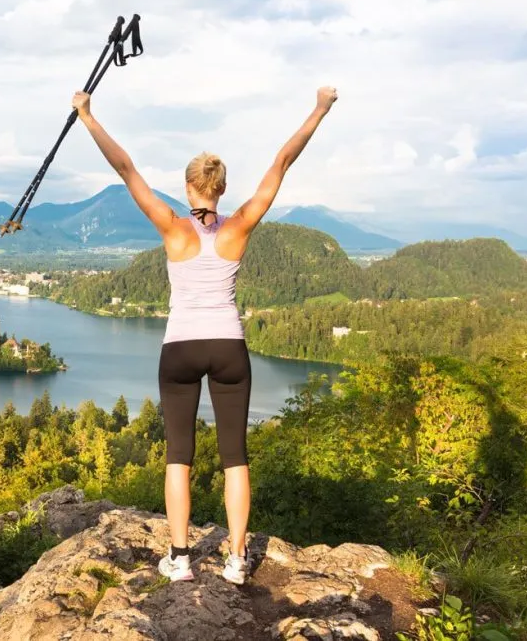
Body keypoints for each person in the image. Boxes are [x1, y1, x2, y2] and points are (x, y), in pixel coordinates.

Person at [72, 85, 338, 585]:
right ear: (219, 188)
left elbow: (125, 169)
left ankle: (180, 556)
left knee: (180, 454)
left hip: (180, 347)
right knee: (235, 456)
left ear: (190, 187)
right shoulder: (238, 227)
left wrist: (87, 116)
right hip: (229, 347)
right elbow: (282, 162)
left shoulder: (172, 228)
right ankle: (237, 560)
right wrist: (319, 109)